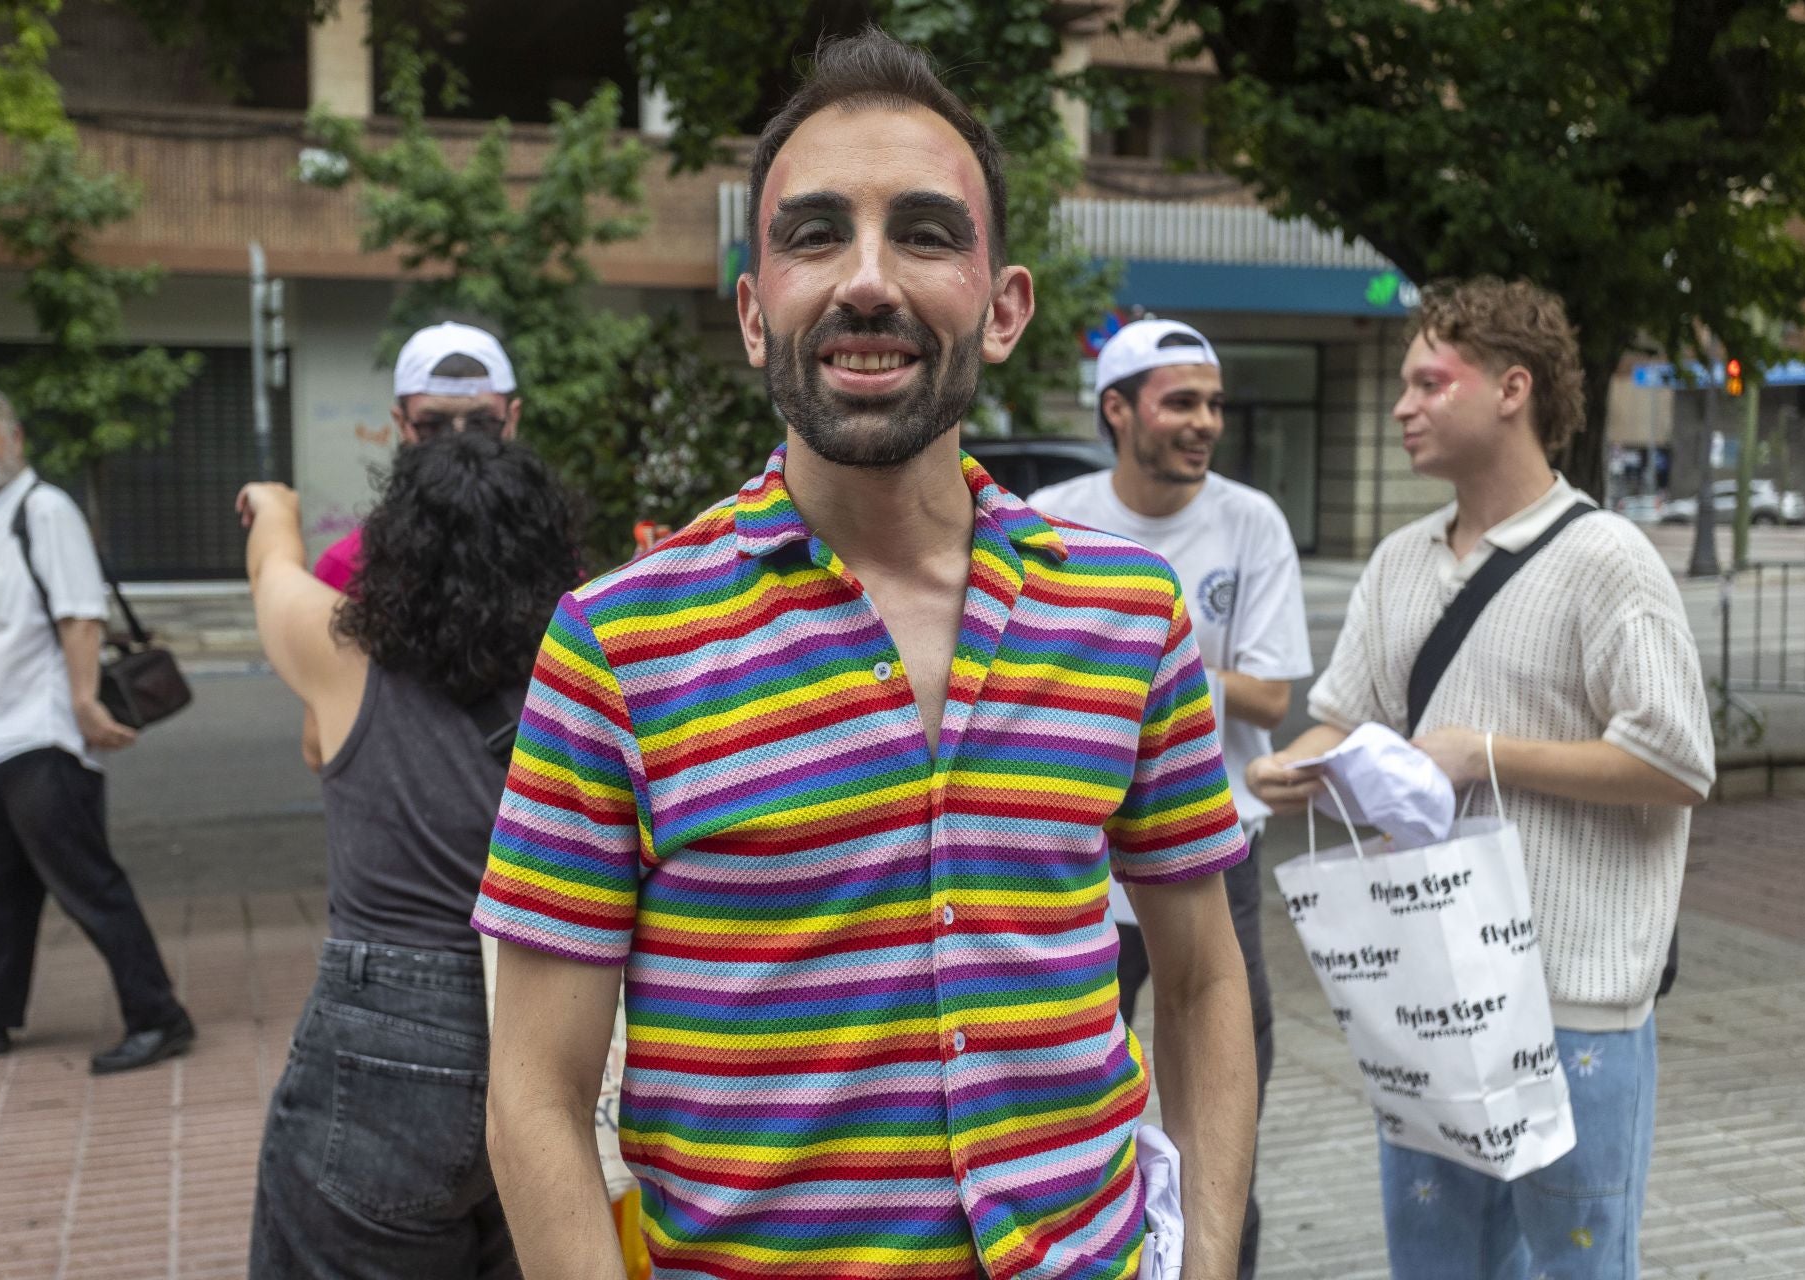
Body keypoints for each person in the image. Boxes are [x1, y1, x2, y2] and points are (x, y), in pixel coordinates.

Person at [475, 31, 1258, 1280]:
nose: (869, 280)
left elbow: (1208, 982)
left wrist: (1207, 1260)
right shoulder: (616, 646)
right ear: (754, 311)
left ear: (1005, 309)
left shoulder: (1127, 614)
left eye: (929, 234)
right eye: (816, 234)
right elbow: (534, 1090)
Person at [1247, 278, 1714, 1280]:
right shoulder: (1399, 561)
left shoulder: (1608, 559)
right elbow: (1351, 714)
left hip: (1574, 1001)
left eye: (1429, 382)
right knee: (1436, 1262)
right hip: (1428, 990)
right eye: (1404, 385)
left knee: (1580, 1265)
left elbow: (1677, 761)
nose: (1402, 407)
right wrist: (1290, 766)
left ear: (1512, 389)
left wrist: (1485, 754)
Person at [238, 433, 580, 1277]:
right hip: (547, 1031)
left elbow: (272, 572)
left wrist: (274, 506)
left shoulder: (343, 658)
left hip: (380, 1036)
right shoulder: (588, 678)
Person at [1031, 318, 1310, 1280]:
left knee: (1225, 1117)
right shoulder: (1051, 518)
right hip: (1077, 860)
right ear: (1117, 410)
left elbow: (1271, 696)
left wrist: (1127, 655)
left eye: (1215, 404)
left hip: (1214, 854)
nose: (1206, 423)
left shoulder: (1251, 521)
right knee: (1064, 1109)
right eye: (1182, 401)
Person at [0, 383, 193, 1074]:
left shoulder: (44, 511)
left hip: (38, 736)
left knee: (87, 882)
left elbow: (80, 614)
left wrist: (85, 703)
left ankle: (159, 1016)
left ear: (15, 440)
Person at [299, 320, 524, 771]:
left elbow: (319, 748)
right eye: (434, 425)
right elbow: (318, 740)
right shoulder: (345, 565)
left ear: (511, 420)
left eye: (480, 423)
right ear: (401, 424)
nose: (458, 442)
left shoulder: (559, 560)